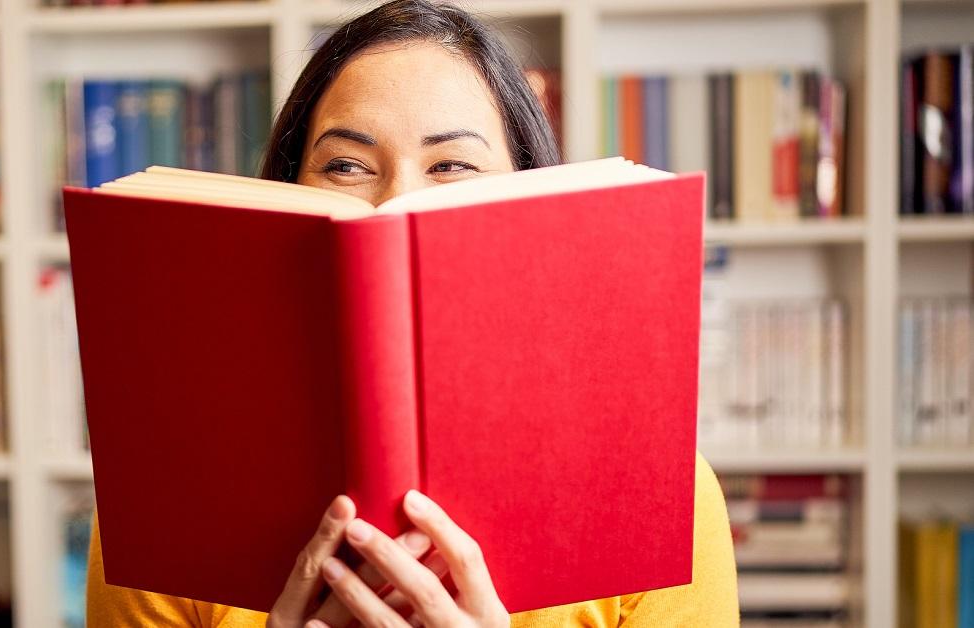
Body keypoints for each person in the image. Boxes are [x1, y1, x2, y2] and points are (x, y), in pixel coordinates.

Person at [87, 0, 739, 625]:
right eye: (345, 164)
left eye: (451, 164)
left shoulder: (664, 507)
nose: (396, 201)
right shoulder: (165, 506)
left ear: (532, 194)